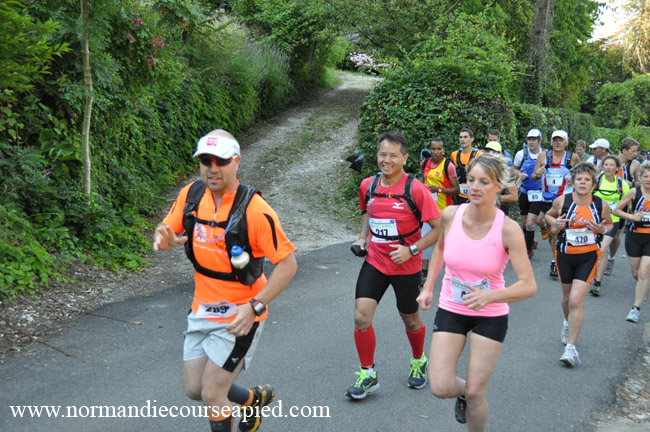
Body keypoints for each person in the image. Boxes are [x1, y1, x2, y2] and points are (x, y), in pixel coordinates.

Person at [153, 130, 298, 432]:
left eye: (221, 161)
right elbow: (167, 229)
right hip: (202, 308)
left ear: (236, 162)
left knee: (212, 392)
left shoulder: (256, 211)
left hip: (240, 314)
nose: (213, 168)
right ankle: (251, 401)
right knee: (194, 388)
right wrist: (163, 240)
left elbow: (287, 264)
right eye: (206, 160)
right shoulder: (192, 195)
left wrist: (255, 307)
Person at [416, 153, 536, 432]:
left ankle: (471, 403)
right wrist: (428, 286)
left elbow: (529, 285)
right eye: (470, 180)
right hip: (452, 308)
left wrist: (489, 296)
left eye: (484, 182)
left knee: (475, 394)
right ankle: (463, 391)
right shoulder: (450, 215)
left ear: (498, 186)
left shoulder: (508, 229)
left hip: (489, 314)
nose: (474, 187)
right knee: (440, 385)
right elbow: (442, 250)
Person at [347, 131, 441, 400]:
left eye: (393, 155)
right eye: (382, 154)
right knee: (360, 316)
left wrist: (411, 249)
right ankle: (368, 373)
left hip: (405, 265)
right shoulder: (368, 185)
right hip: (375, 261)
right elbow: (367, 211)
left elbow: (437, 229)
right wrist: (363, 237)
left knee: (410, 319)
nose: (386, 160)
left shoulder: (416, 189)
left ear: (404, 158)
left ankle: (418, 361)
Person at [545, 163, 612, 367]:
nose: (583, 183)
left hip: (588, 256)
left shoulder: (600, 204)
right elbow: (548, 215)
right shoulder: (562, 201)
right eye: (579, 179)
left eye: (587, 180)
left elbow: (609, 224)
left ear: (593, 183)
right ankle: (567, 323)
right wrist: (554, 224)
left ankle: (571, 349)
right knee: (566, 299)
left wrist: (601, 228)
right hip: (564, 255)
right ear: (573, 182)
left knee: (575, 300)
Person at [531, 130, 581, 278]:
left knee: (555, 231)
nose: (558, 143)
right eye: (555, 140)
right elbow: (534, 178)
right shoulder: (543, 156)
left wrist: (574, 179)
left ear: (566, 142)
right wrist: (537, 174)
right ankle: (557, 254)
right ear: (551, 142)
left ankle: (556, 260)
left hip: (564, 199)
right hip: (547, 198)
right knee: (542, 224)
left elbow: (580, 175)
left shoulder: (573, 157)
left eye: (561, 140)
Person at [612, 163, 650, 323]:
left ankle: (636, 309)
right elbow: (616, 210)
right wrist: (631, 217)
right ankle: (644, 287)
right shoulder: (635, 192)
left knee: (643, 272)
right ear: (640, 178)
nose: (649, 180)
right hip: (634, 236)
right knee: (636, 274)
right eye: (646, 176)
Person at [419, 137, 460, 284]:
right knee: (425, 240)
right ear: (429, 149)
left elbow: (457, 189)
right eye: (433, 149)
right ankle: (424, 274)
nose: (436, 152)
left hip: (445, 211)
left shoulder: (448, 166)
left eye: (439, 149)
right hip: (428, 210)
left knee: (448, 243)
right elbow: (423, 184)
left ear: (443, 150)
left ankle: (454, 273)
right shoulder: (424, 164)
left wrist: (439, 189)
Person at [589, 155, 630, 296]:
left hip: (611, 221)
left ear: (617, 168)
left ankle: (597, 283)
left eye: (611, 165)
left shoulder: (622, 184)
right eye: (606, 164)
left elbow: (628, 201)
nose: (608, 167)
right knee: (594, 249)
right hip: (594, 220)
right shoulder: (596, 182)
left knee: (603, 249)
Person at [605, 137, 643, 275]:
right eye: (633, 151)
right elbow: (597, 174)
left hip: (622, 203)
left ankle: (611, 258)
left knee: (615, 235)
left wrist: (627, 183)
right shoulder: (609, 161)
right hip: (605, 200)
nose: (635, 154)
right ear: (624, 150)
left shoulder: (635, 165)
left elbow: (640, 183)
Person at [512, 128, 548, 258]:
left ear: (540, 141)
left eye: (534, 140)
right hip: (525, 191)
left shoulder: (546, 155)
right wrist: (519, 174)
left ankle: (527, 251)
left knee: (530, 222)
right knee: (524, 221)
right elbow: (514, 169)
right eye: (529, 139)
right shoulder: (521, 154)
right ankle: (531, 240)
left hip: (539, 192)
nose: (531, 142)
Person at [483, 141, 518, 216]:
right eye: (487, 152)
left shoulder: (507, 172)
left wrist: (496, 197)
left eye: (493, 152)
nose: (489, 154)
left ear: (500, 154)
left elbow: (514, 197)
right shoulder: (481, 170)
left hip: (501, 211)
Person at [450, 128, 484, 204]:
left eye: (465, 137)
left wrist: (473, 169)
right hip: (458, 194)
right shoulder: (454, 155)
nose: (462, 139)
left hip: (474, 193)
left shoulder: (479, 155)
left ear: (471, 139)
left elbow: (485, 174)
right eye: (460, 137)